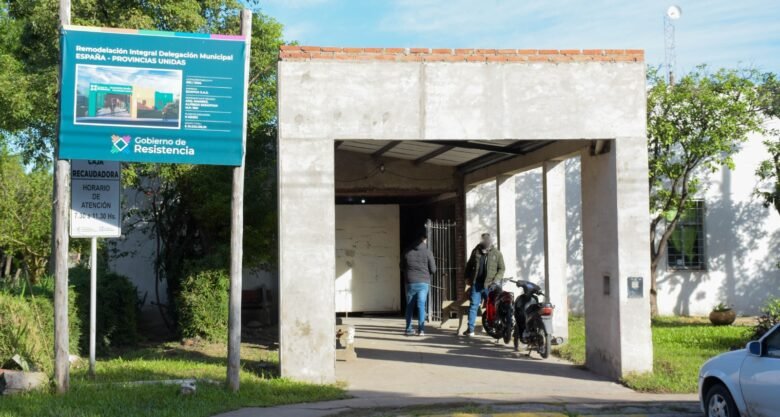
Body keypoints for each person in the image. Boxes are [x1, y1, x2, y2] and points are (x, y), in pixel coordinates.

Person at [463, 233, 505, 336]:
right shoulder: (476, 251)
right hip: (476, 284)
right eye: (484, 240)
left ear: (490, 241)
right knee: (473, 306)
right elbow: (469, 265)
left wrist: (496, 279)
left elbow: (501, 268)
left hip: (490, 285)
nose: (486, 242)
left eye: (487, 240)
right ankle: (470, 329)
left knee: (492, 306)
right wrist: (467, 277)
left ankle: (493, 328)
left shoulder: (497, 254)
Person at [401, 235, 437, 336]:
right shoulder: (428, 252)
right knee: (421, 305)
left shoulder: (407, 251)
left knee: (409, 306)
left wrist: (408, 273)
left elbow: (401, 266)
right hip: (423, 282)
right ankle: (421, 330)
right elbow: (433, 269)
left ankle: (408, 329)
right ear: (423, 240)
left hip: (410, 282)